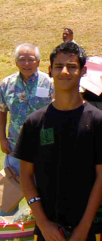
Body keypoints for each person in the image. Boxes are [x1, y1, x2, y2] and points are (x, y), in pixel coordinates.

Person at [15, 42, 102, 241]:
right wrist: (43, 223)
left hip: (89, 229)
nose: (64, 71)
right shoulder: (35, 122)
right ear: (49, 70)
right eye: (58, 66)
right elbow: (26, 175)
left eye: (72, 66)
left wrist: (83, 228)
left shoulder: (97, 121)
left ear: (83, 71)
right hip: (48, 230)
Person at [0, 43, 52, 215]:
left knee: (44, 192)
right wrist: (2, 138)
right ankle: (6, 232)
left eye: (31, 59)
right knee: (9, 191)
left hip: (43, 146)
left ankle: (42, 230)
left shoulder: (49, 83)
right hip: (15, 146)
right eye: (22, 59)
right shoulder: (6, 84)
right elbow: (2, 111)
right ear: (16, 62)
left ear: (38, 61)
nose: (26, 64)